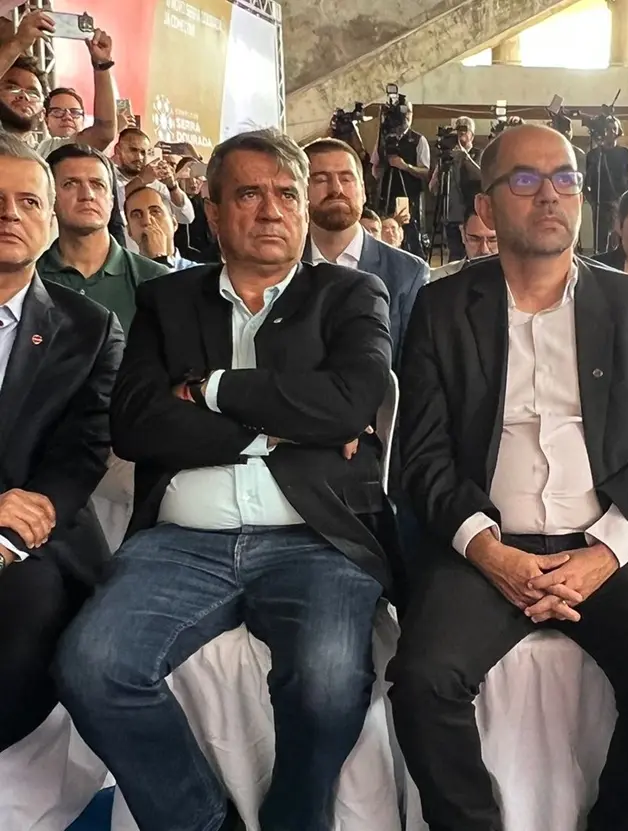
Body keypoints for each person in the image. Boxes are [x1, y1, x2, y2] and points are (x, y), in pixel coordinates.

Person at [54, 128, 397, 831]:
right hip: (182, 541)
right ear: (211, 212)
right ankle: (205, 822)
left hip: (316, 536)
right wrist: (279, 426)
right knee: (93, 666)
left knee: (328, 683)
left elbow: (350, 403)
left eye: (287, 195)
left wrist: (209, 390)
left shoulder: (350, 294)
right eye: (249, 194)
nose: (272, 210)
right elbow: (136, 425)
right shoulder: (167, 301)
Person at [389, 124, 628, 831]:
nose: (549, 196)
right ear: (486, 204)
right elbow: (423, 453)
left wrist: (604, 554)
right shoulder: (443, 307)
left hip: (609, 548)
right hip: (486, 547)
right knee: (421, 682)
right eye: (525, 180)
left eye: (564, 178)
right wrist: (487, 550)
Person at [0, 132, 123, 753]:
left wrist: (8, 531)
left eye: (28, 202)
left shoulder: (89, 328)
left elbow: (82, 451)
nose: (10, 215)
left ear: (51, 223)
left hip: (30, 542)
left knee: (22, 631)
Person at [303, 137, 428, 371]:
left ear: (363, 190)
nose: (336, 189)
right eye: (320, 179)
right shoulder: (280, 266)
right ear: (299, 191)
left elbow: (414, 368)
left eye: (346, 178)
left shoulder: (408, 273)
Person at [38, 144, 167, 332]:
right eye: (71, 184)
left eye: (97, 185)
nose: (87, 195)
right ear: (50, 198)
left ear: (112, 200)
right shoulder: (27, 279)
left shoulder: (155, 280)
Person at [0, 13, 116, 155]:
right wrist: (18, 43)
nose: (24, 96)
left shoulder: (51, 152)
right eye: (12, 88)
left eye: (33, 93)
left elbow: (104, 133)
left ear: (43, 114)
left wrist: (102, 65)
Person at [375, 99, 430, 258]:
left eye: (409, 113)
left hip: (409, 196)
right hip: (387, 196)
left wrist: (405, 166)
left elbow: (426, 172)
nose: (406, 117)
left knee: (410, 236)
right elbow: (375, 169)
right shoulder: (384, 139)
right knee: (387, 237)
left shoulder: (419, 140)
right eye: (403, 113)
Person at [112, 128, 195, 231]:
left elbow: (187, 217)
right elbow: (112, 205)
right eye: (133, 150)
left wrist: (173, 187)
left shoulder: (156, 183)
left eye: (143, 152)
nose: (139, 157)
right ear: (118, 150)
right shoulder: (107, 175)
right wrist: (141, 180)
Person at [432, 116, 482, 261]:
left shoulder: (479, 154)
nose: (460, 135)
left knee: (472, 256)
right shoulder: (448, 157)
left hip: (471, 214)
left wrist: (465, 157)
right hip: (452, 215)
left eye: (464, 131)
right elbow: (433, 187)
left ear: (472, 135)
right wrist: (442, 164)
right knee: (454, 257)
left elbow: (481, 177)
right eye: (458, 131)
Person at [583, 117, 628, 253]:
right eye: (608, 129)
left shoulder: (625, 153)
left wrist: (626, 201)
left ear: (618, 131)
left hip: (620, 203)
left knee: (619, 241)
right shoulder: (593, 155)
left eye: (614, 129)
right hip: (600, 204)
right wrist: (593, 202)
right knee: (601, 243)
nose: (611, 132)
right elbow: (586, 182)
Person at [123, 184, 200, 272]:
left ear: (174, 223)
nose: (147, 221)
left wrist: (160, 258)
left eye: (155, 212)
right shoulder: (124, 276)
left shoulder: (199, 273)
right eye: (136, 215)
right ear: (129, 231)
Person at [429, 201, 497, 281]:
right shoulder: (437, 280)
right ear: (463, 235)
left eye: (493, 239)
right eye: (475, 239)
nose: (484, 250)